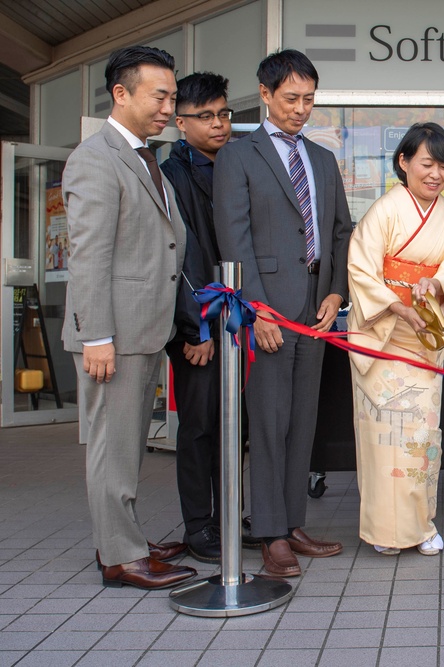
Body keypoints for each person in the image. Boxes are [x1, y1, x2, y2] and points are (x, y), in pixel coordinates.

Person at [61, 45, 196, 589]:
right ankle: (119, 557)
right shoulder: (95, 159)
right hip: (111, 334)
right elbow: (88, 254)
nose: (168, 107)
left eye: (172, 96)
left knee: (127, 444)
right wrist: (96, 335)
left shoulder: (144, 158)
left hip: (142, 330)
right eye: (159, 95)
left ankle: (127, 540)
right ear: (122, 93)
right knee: (113, 449)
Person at [214, 49, 351, 577]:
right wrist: (258, 310)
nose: (301, 109)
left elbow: (340, 231)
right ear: (266, 95)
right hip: (268, 313)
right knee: (268, 424)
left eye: (309, 99)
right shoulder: (238, 156)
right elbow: (235, 239)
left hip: (315, 313)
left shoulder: (321, 159)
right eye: (291, 98)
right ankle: (269, 533)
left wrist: (336, 294)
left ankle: (293, 521)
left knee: (302, 422)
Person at [347, 122, 444, 556]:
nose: (436, 174)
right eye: (427, 163)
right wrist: (398, 304)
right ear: (403, 163)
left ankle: (421, 525)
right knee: (384, 438)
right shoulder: (384, 210)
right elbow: (361, 270)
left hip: (423, 338)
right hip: (382, 339)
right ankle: (386, 531)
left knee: (421, 436)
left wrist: (435, 285)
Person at [159, 72, 233, 563]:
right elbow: (179, 257)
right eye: (205, 116)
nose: (218, 124)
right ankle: (199, 527)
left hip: (238, 320)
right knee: (200, 427)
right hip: (198, 327)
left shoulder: (236, 164)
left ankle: (229, 517)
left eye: (224, 114)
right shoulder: (171, 175)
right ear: (181, 122)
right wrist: (196, 328)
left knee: (233, 427)